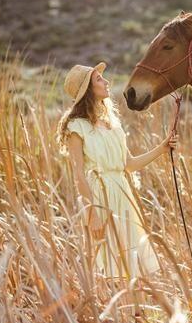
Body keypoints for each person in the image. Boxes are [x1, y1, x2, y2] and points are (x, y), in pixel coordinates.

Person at [56, 61, 177, 287]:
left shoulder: (113, 124)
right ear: (87, 91)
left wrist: (162, 148)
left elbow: (128, 165)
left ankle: (135, 313)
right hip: (99, 195)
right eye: (99, 80)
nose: (106, 82)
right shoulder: (77, 127)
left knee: (131, 258)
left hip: (122, 193)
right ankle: (111, 311)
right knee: (107, 259)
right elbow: (79, 175)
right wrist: (92, 213)